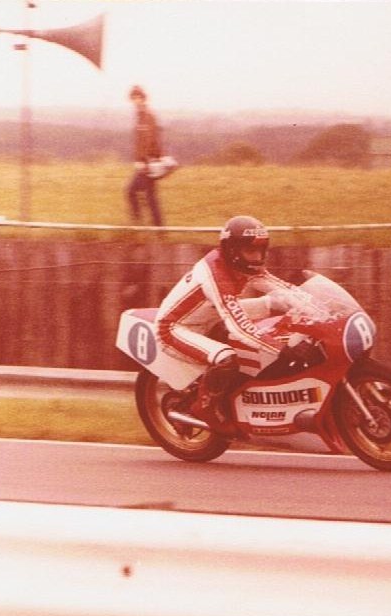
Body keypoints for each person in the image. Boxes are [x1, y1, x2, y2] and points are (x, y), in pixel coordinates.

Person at [156, 216, 299, 424]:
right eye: (251, 251)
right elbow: (239, 325)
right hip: (176, 328)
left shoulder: (243, 264)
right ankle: (204, 407)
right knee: (226, 358)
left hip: (210, 317)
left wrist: (323, 308)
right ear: (232, 249)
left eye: (261, 250)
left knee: (276, 302)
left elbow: (282, 288)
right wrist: (281, 348)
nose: (257, 257)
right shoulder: (216, 274)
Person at [127, 85, 164, 226]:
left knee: (131, 191)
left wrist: (143, 161)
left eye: (138, 98)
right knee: (150, 197)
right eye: (133, 98)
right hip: (147, 163)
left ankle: (137, 224)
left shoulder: (147, 116)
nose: (135, 101)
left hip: (148, 163)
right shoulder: (141, 116)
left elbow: (149, 140)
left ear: (143, 98)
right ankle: (159, 229)